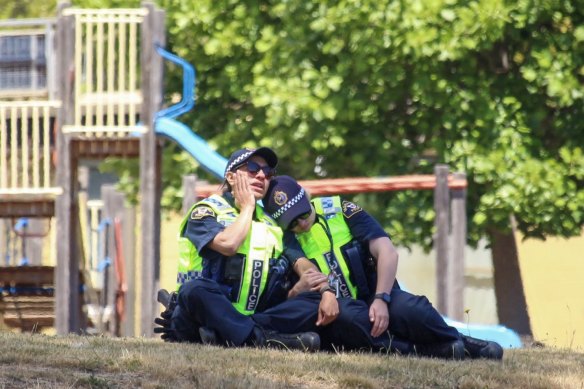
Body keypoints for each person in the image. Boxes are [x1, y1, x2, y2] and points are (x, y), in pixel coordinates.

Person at [263, 175, 504, 360]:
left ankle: (460, 341)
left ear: (307, 197)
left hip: (376, 294)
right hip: (340, 308)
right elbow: (305, 269)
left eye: (303, 214)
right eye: (292, 222)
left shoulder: (341, 210)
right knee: (351, 319)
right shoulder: (286, 238)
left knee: (412, 309)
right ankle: (426, 351)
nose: (302, 223)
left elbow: (386, 251)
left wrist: (381, 298)